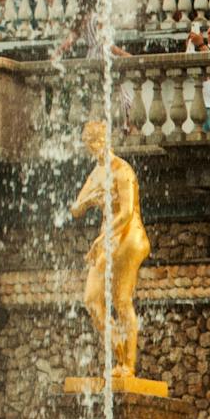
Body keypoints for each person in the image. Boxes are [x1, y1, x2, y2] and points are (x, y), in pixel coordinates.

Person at [69, 121, 153, 382]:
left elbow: (127, 213)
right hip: (107, 239)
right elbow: (76, 208)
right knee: (92, 300)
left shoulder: (122, 171)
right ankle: (117, 345)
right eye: (89, 145)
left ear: (106, 140)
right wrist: (89, 201)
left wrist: (102, 238)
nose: (93, 148)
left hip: (129, 237)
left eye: (96, 142)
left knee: (121, 300)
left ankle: (128, 365)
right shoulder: (96, 173)